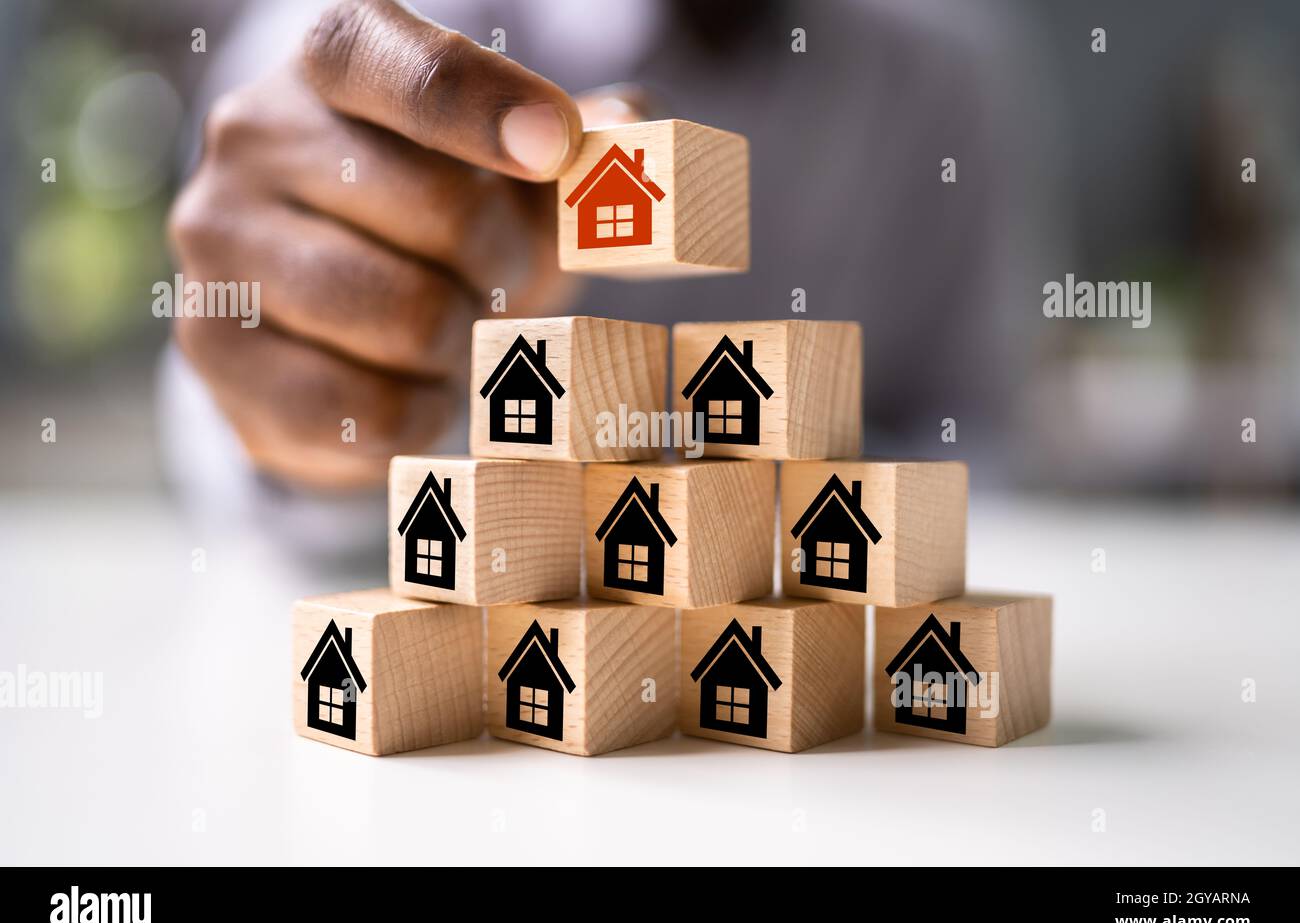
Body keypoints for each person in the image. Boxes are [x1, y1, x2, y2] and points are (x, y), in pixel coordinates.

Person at [164, 0, 1038, 553]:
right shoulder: (388, 23)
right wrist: (314, 420)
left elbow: (970, 430)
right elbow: (218, 427)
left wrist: (737, 532)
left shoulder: (949, 67)